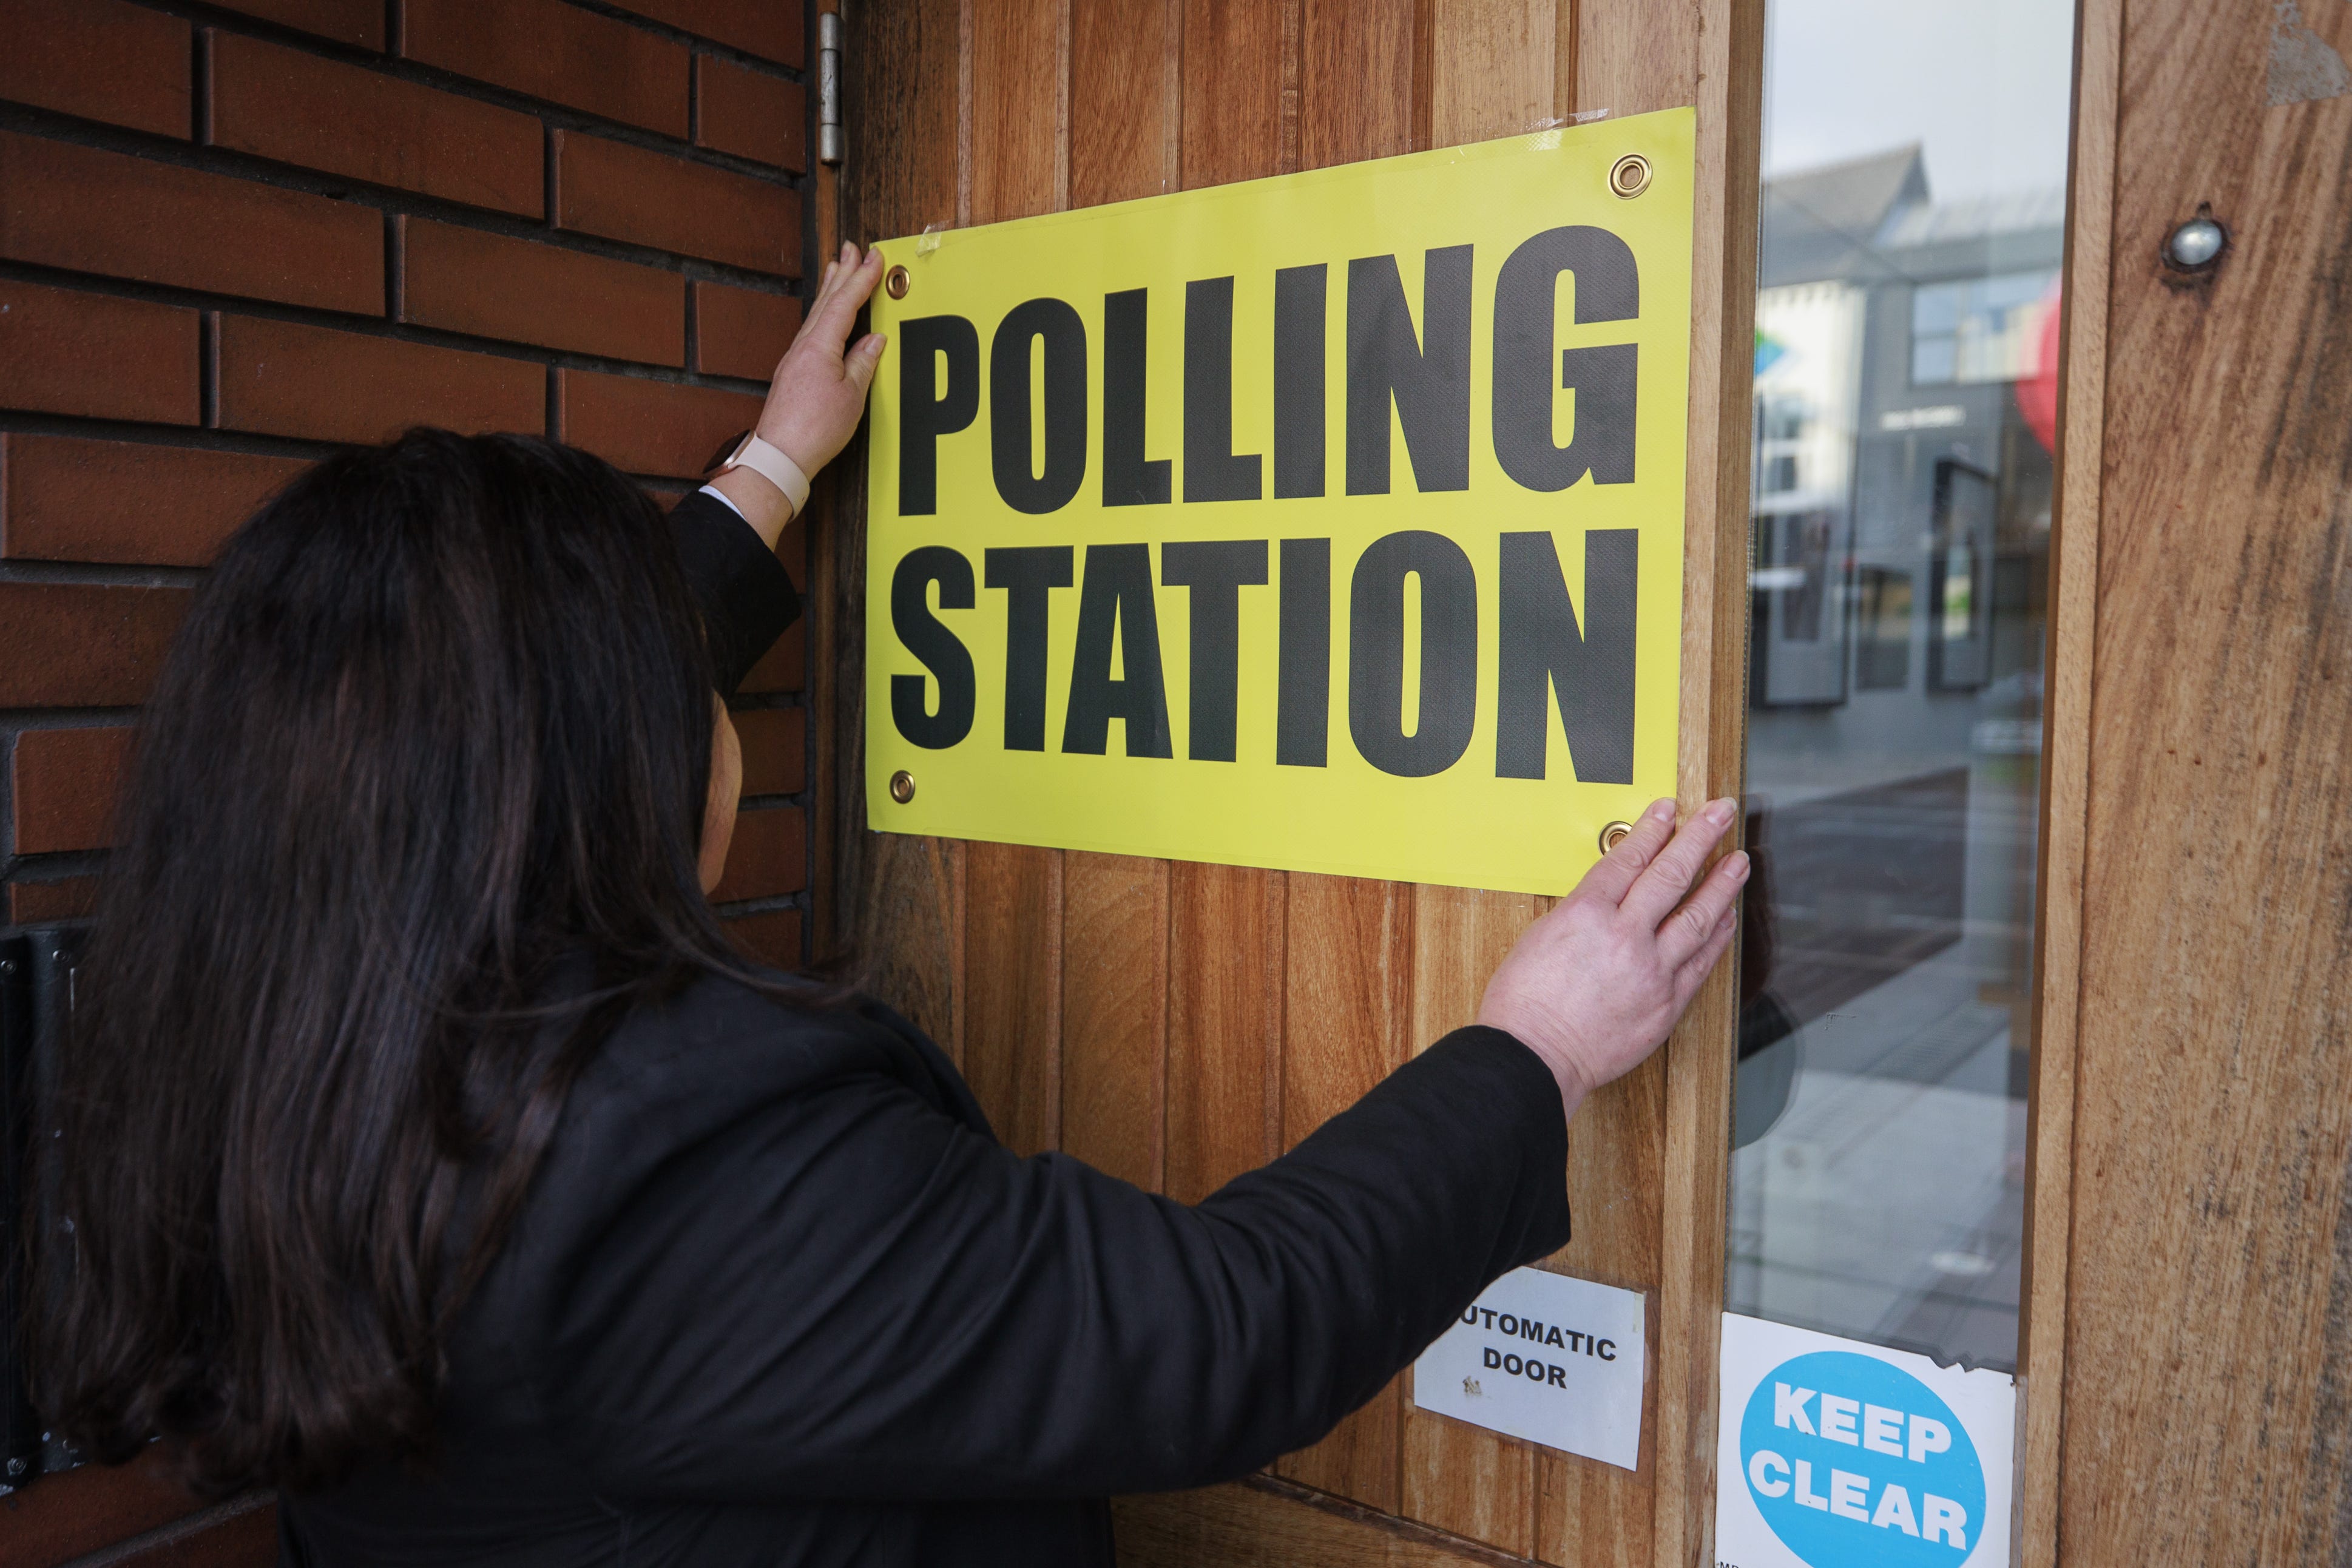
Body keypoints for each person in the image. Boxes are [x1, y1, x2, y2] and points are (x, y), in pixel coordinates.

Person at [32, 245, 1748, 1567]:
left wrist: (773, 469)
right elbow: (1231, 1331)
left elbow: (479, 713)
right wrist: (1534, 1040)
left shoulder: (257, 1045)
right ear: (594, 770)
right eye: (664, 687)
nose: (703, 715)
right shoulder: (672, 1176)